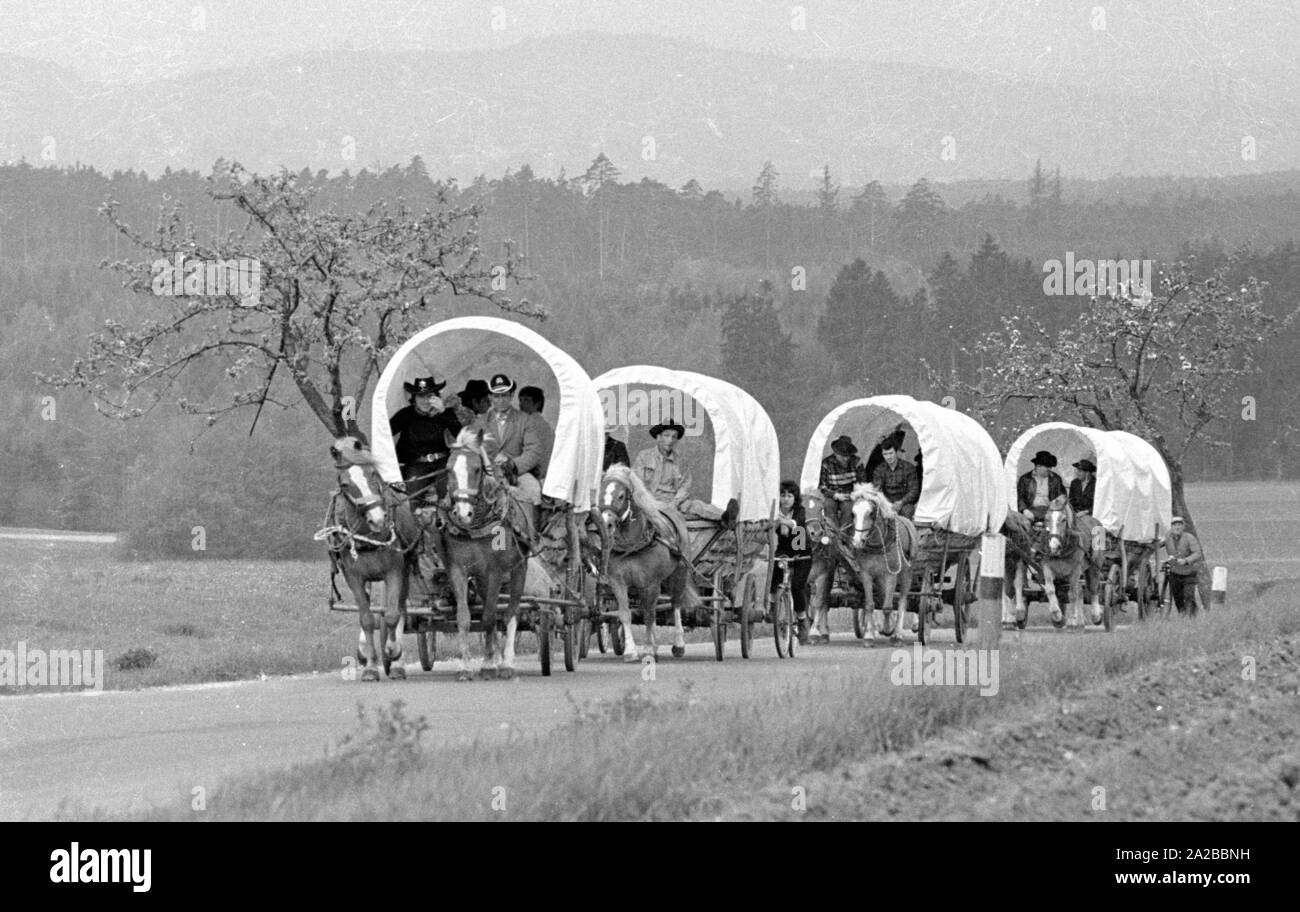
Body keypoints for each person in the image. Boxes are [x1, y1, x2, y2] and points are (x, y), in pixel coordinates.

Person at [631, 417, 738, 537]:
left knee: (696, 505)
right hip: (650, 501)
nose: (670, 440)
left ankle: (726, 516)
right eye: (666, 435)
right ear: (658, 437)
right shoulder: (644, 457)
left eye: (674, 437)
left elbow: (685, 486)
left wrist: (674, 503)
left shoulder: (680, 460)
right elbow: (636, 483)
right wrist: (649, 503)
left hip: (672, 500)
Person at [388, 376, 461, 502]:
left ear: (436, 397)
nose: (425, 401)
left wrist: (443, 412)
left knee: (450, 491)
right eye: (421, 396)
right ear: (414, 398)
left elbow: (461, 435)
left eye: (429, 396)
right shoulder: (406, 414)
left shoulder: (444, 413)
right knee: (411, 498)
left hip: (443, 463)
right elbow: (386, 432)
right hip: (417, 465)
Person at [480, 374, 545, 512]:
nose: (501, 400)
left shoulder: (525, 420)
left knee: (533, 490)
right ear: (490, 397)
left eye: (504, 395)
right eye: (496, 396)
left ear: (511, 396)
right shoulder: (480, 422)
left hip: (517, 473)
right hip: (487, 473)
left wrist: (513, 465)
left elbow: (534, 451)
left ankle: (531, 532)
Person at [771, 480, 813, 644]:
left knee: (797, 586)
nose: (786, 499)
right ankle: (773, 604)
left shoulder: (799, 511)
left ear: (795, 498)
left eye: (790, 495)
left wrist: (780, 521)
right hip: (784, 549)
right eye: (783, 495)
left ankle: (802, 620)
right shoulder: (775, 510)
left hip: (802, 550)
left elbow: (797, 525)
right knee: (774, 571)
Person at [819, 434, 865, 535]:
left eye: (848, 455)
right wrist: (835, 495)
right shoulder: (826, 464)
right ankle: (833, 534)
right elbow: (822, 486)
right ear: (836, 453)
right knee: (828, 505)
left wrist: (854, 494)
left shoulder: (857, 462)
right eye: (842, 456)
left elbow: (862, 483)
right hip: (832, 494)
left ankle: (843, 535)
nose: (846, 459)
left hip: (850, 495)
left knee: (849, 508)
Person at [871, 434, 920, 519]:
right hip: (886, 502)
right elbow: (878, 490)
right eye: (885, 454)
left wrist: (901, 502)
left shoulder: (908, 467)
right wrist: (887, 504)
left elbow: (914, 490)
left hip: (904, 502)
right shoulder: (879, 470)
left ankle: (904, 532)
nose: (888, 457)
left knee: (907, 511)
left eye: (891, 453)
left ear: (896, 452)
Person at [1163, 516, 1204, 614]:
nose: (1177, 527)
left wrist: (1186, 560)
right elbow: (1159, 544)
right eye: (1175, 525)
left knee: (1189, 596)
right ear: (1171, 527)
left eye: (1179, 525)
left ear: (1183, 527)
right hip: (1174, 572)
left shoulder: (1189, 538)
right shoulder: (1168, 537)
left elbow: (1198, 553)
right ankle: (1183, 616)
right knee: (1178, 597)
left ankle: (1191, 616)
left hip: (1189, 572)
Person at [517, 386, 555, 485]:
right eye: (520, 400)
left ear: (537, 404)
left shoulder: (530, 423)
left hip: (532, 476)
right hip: (545, 477)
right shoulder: (547, 425)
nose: (521, 404)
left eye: (526, 400)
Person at [1017, 450, 1066, 522]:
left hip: (1050, 511)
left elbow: (1062, 496)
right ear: (1038, 466)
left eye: (1050, 467)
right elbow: (1020, 497)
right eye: (1047, 467)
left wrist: (1055, 507)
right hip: (1030, 511)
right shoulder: (1025, 479)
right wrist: (1025, 510)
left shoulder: (1056, 479)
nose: (1050, 469)